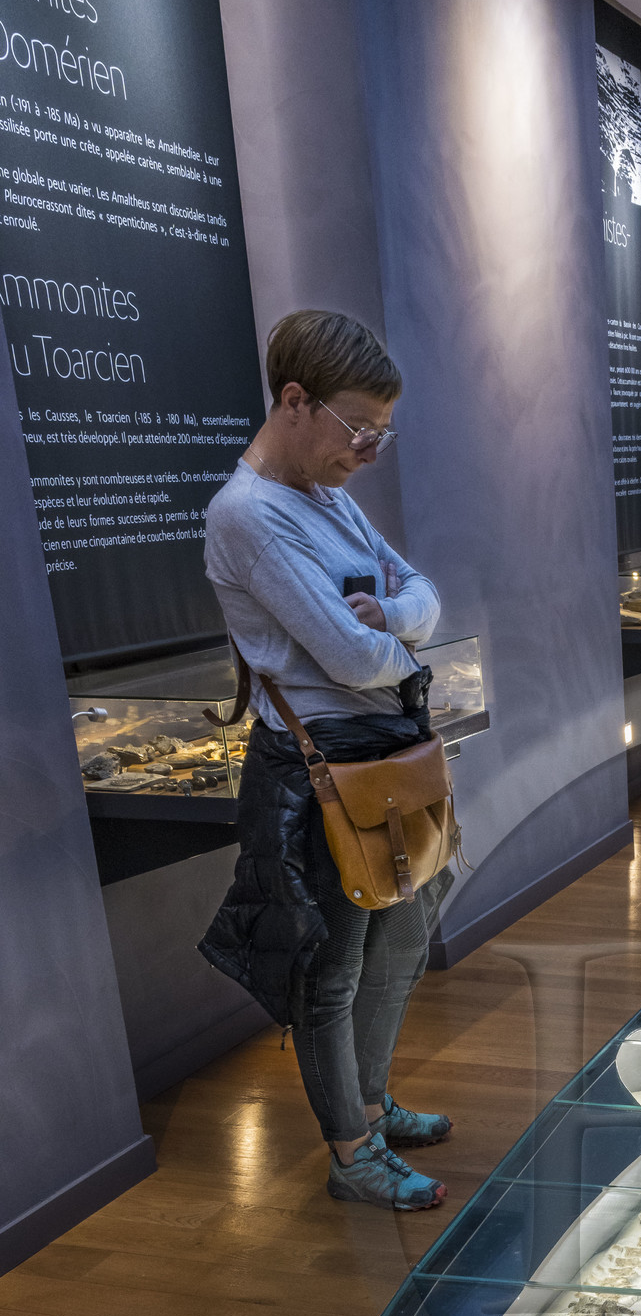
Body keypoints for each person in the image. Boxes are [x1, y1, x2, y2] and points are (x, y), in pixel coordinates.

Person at [200, 309, 454, 1210]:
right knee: (335, 966)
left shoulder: (329, 499)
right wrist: (403, 644)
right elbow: (347, 662)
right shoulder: (247, 516)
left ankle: (371, 1104)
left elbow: (424, 592)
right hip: (320, 773)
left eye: (384, 432)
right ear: (296, 402)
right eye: (361, 429)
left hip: (384, 757)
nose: (372, 450)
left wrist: (395, 619)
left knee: (404, 937)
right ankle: (351, 1152)